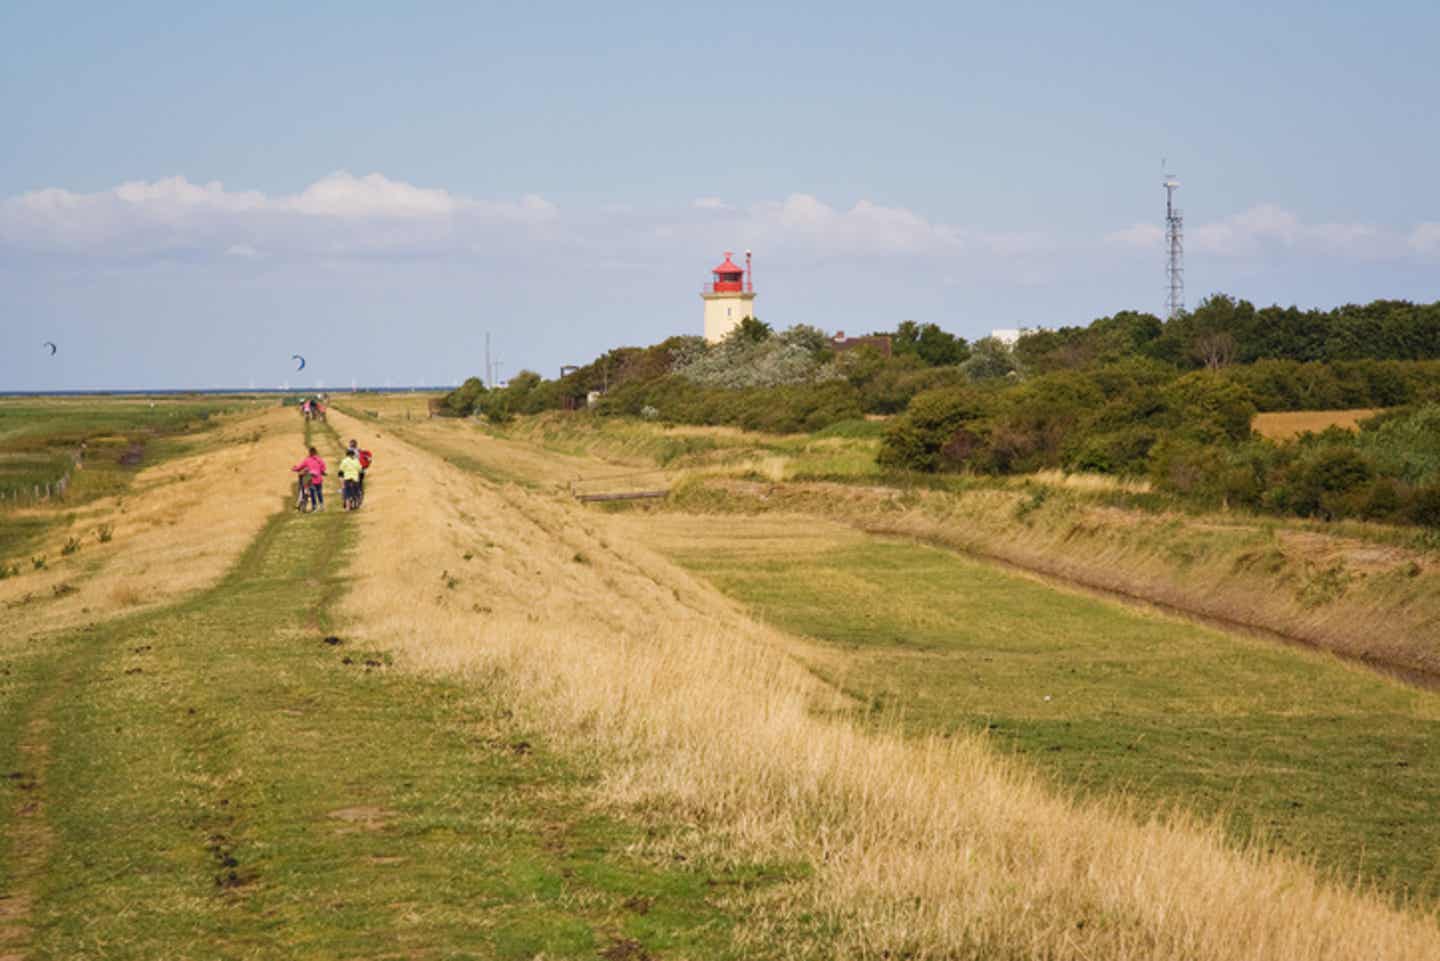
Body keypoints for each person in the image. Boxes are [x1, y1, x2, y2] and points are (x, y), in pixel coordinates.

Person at [291, 445, 327, 511]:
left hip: (311, 480)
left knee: (313, 493)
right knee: (319, 492)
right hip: (319, 479)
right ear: (316, 452)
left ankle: (314, 507)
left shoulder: (307, 460)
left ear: (310, 452)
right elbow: (323, 468)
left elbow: (299, 467)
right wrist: (321, 472)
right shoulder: (320, 460)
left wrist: (294, 468)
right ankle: (322, 506)